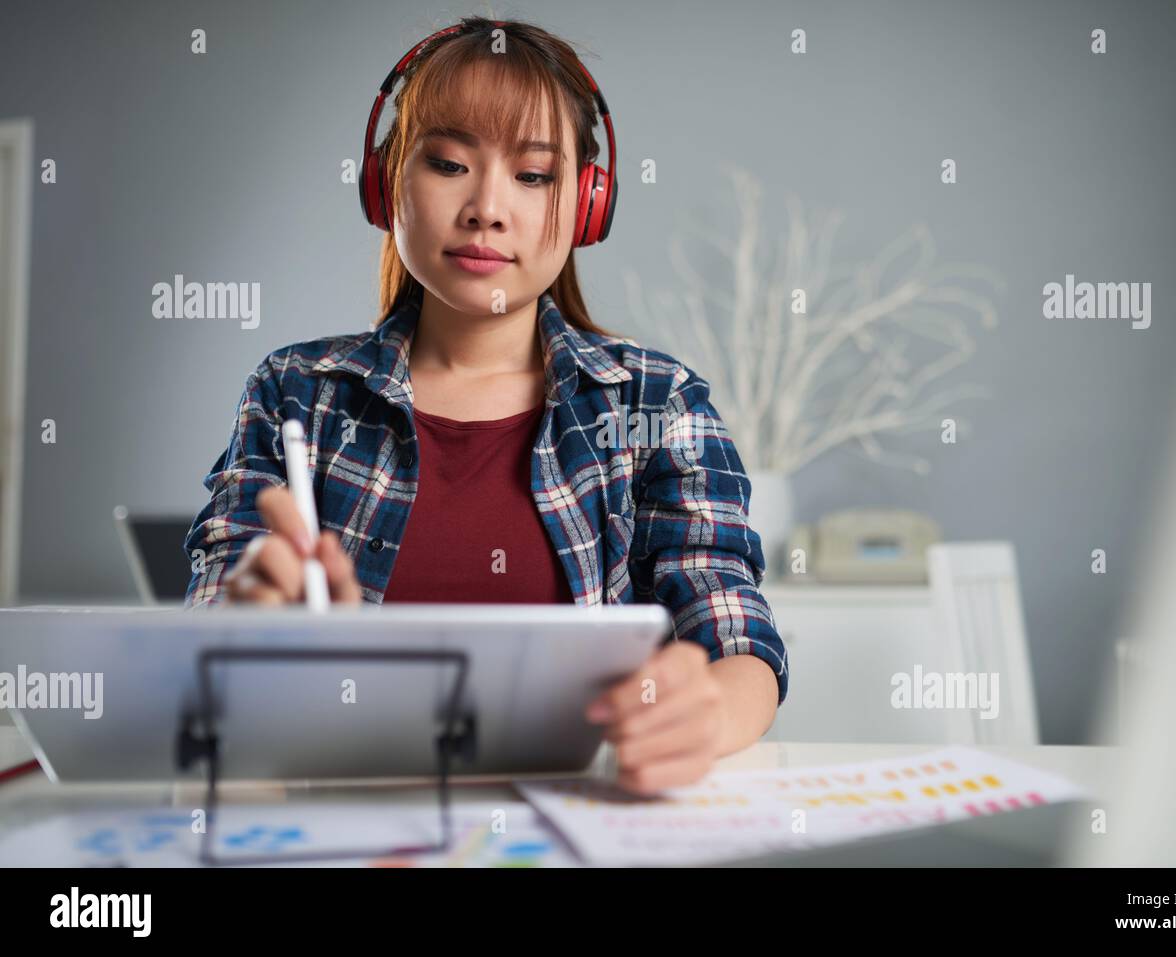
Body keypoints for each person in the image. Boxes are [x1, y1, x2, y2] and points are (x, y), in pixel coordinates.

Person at [182, 16, 788, 794]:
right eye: (447, 163)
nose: (486, 209)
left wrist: (709, 711)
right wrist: (244, 627)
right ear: (386, 183)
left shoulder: (657, 403)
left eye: (533, 175)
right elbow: (211, 626)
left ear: (586, 205)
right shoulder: (295, 393)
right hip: (341, 822)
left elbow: (734, 628)